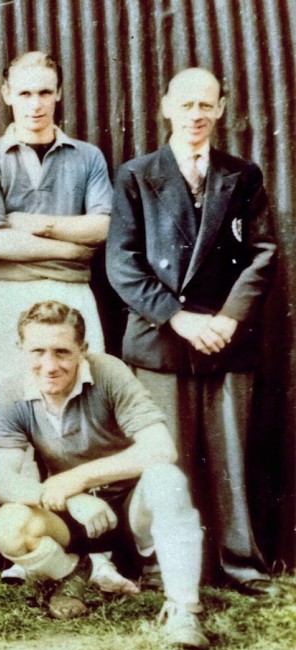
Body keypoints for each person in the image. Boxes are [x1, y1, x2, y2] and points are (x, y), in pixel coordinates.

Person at [107, 68, 276, 594]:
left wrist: (227, 319)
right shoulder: (137, 175)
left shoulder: (242, 175)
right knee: (165, 457)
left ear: (221, 108)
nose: (196, 115)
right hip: (161, 337)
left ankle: (239, 564)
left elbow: (263, 254)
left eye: (206, 104)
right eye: (186, 104)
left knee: (230, 460)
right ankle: (160, 567)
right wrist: (178, 317)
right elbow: (122, 263)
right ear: (166, 107)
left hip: (226, 339)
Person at [0, 301, 209, 650]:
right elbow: (3, 480)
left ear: (83, 349)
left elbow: (161, 448)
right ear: (21, 348)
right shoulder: (13, 390)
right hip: (73, 515)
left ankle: (183, 609)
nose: (49, 365)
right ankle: (78, 571)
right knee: (7, 524)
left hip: (129, 511)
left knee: (167, 479)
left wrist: (77, 479)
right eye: (37, 352)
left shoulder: (108, 372)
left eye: (62, 352)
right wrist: (72, 497)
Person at [0, 51, 113, 394]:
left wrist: (36, 224)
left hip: (72, 292)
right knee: (13, 401)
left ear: (58, 93)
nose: (36, 105)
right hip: (8, 294)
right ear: (7, 94)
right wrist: (73, 250)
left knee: (79, 398)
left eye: (45, 92)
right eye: (25, 93)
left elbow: (103, 227)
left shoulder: (87, 156)